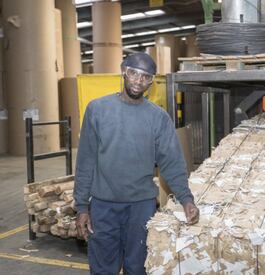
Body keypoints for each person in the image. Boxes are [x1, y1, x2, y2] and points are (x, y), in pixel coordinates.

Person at [74, 52, 199, 275]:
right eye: (133, 73)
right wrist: (82, 206)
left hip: (141, 207)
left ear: (151, 81)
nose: (138, 81)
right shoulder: (98, 110)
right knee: (103, 269)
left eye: (145, 77)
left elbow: (172, 162)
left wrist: (186, 198)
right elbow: (86, 160)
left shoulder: (158, 118)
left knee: (138, 267)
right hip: (104, 206)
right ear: (124, 71)